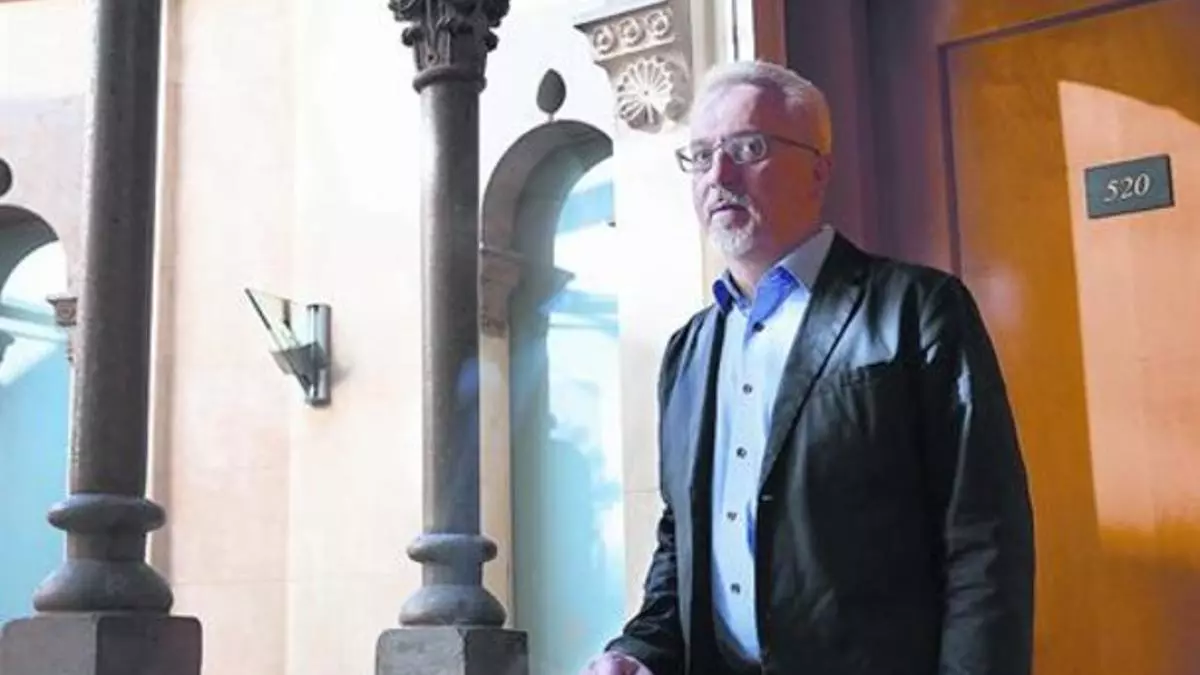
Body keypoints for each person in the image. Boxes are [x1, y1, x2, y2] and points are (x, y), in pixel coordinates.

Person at [581, 61, 1035, 675]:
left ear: (819, 169)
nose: (719, 176)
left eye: (748, 148)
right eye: (702, 155)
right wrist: (639, 652)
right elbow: (680, 542)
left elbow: (985, 535)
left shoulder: (916, 310)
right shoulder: (689, 350)